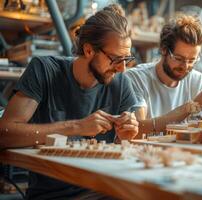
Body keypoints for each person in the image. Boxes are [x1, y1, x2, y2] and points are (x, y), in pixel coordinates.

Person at [0, 4, 138, 199]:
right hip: (54, 194)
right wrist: (76, 127)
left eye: (127, 59)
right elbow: (4, 134)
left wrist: (126, 135)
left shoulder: (121, 82)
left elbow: (126, 146)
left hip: (105, 190)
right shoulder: (44, 70)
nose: (123, 68)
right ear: (89, 50)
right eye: (116, 59)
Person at [125, 15, 202, 136]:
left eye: (192, 60)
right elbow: (137, 130)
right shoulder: (136, 78)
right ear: (163, 50)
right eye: (179, 58)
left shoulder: (197, 80)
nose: (185, 66)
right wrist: (189, 107)